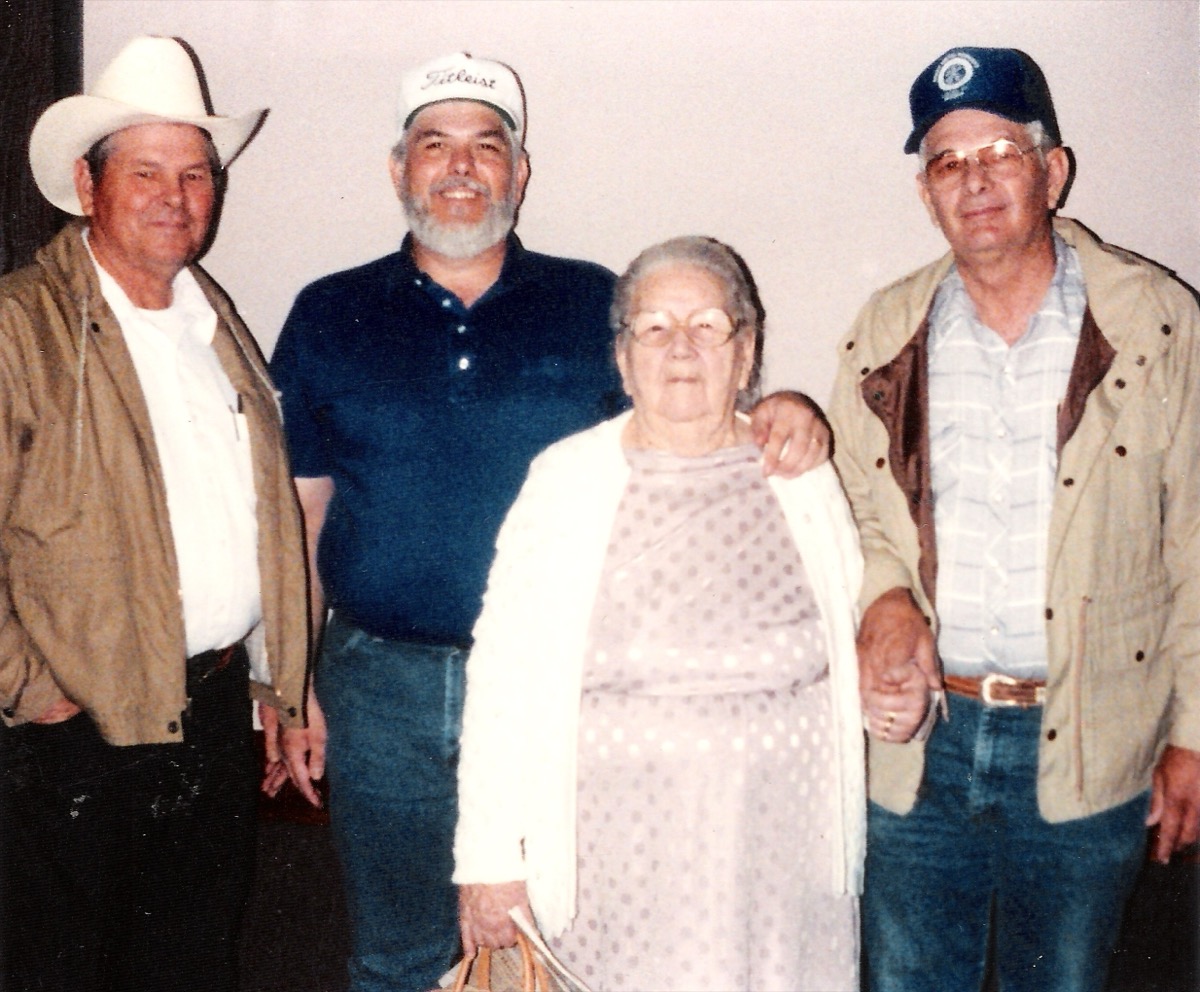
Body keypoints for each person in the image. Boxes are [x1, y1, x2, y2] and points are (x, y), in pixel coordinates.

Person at [269, 52, 832, 992]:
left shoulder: (591, 304)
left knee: (567, 945)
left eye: (487, 147)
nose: (461, 168)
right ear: (398, 169)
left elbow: (688, 422)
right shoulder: (328, 312)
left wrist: (783, 407)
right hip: (379, 687)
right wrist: (291, 680)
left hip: (564, 689)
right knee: (397, 955)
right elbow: (303, 511)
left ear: (520, 172)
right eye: (434, 145)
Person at [828, 46, 1200, 992]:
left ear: (1053, 170)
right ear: (926, 194)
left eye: (1000, 152)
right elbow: (855, 514)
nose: (975, 180)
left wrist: (1194, 733)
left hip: (1090, 741)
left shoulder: (1156, 324)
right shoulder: (884, 332)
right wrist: (886, 601)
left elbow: (1196, 539)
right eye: (948, 162)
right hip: (920, 743)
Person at [453, 236, 866, 992]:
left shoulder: (800, 475)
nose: (681, 347)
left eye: (708, 325)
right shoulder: (566, 481)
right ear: (622, 357)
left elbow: (855, 631)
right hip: (617, 863)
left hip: (785, 854)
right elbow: (501, 677)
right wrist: (488, 861)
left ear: (746, 354)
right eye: (654, 328)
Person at [0, 35, 324, 992]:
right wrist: (30, 690)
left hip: (210, 716)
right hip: (74, 731)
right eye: (144, 171)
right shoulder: (19, 325)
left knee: (189, 967)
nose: (174, 196)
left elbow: (252, 519)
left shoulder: (213, 325)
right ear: (86, 183)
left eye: (195, 173)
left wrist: (274, 682)